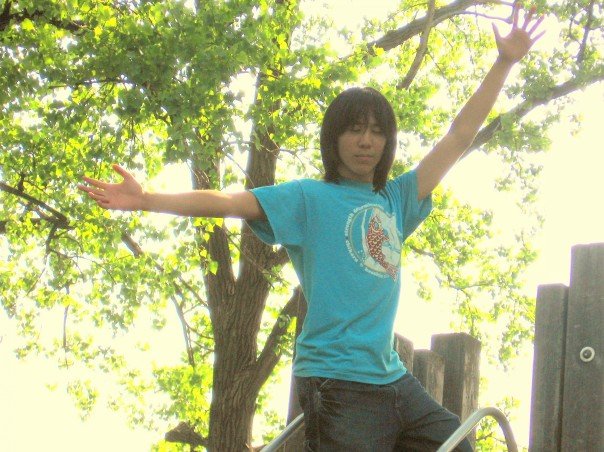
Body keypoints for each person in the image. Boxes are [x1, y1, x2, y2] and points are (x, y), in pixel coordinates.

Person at [79, 4, 543, 450]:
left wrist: (503, 62)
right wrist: (146, 200)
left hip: (393, 379)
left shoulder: (397, 198)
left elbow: (459, 136)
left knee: (459, 444)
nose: (366, 141)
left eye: (377, 131)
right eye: (354, 129)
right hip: (338, 381)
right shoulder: (308, 198)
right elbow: (228, 201)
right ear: (333, 138)